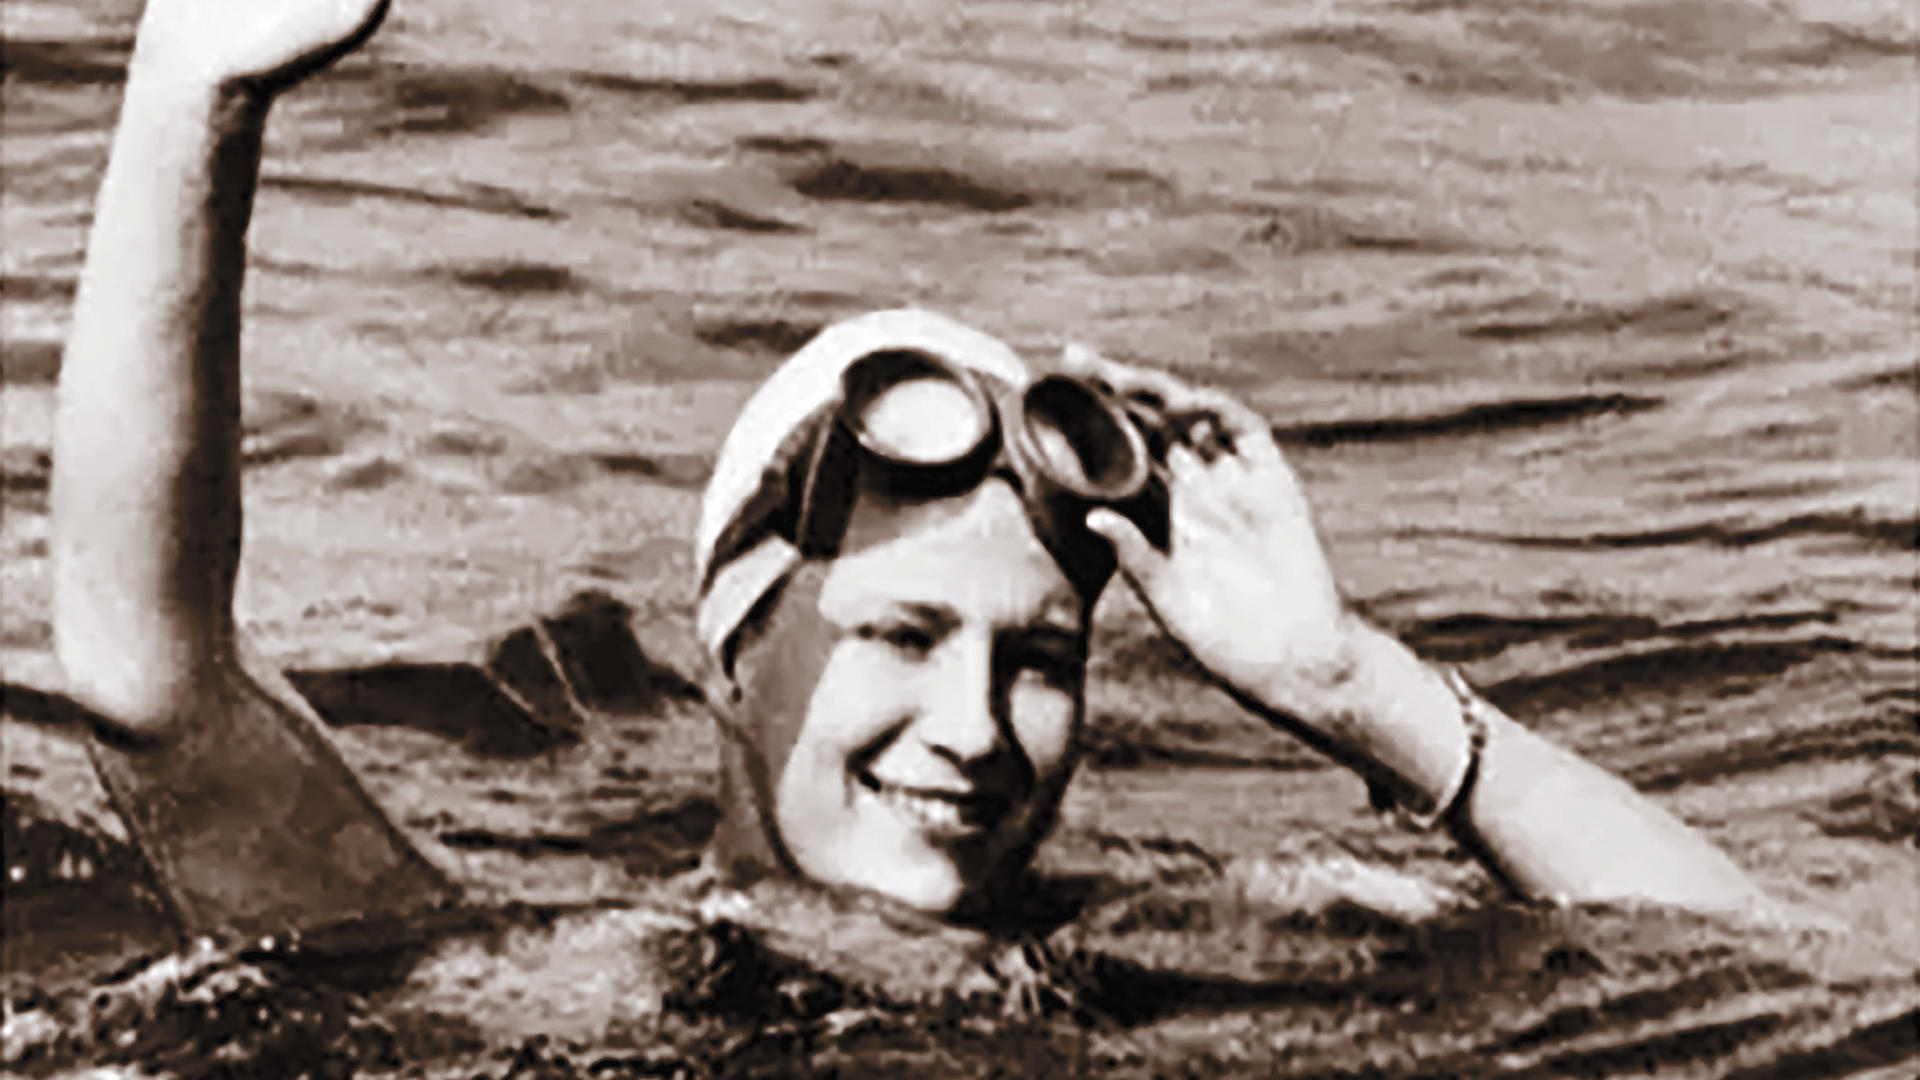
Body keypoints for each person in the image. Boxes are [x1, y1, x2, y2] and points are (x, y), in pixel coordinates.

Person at [50, 0, 1780, 946]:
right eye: (897, 636)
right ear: (730, 647)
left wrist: (1353, 689)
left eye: (1039, 662)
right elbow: (151, 675)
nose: (975, 724)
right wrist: (190, 96)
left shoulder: (1167, 965)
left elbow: (1758, 972)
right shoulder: (560, 987)